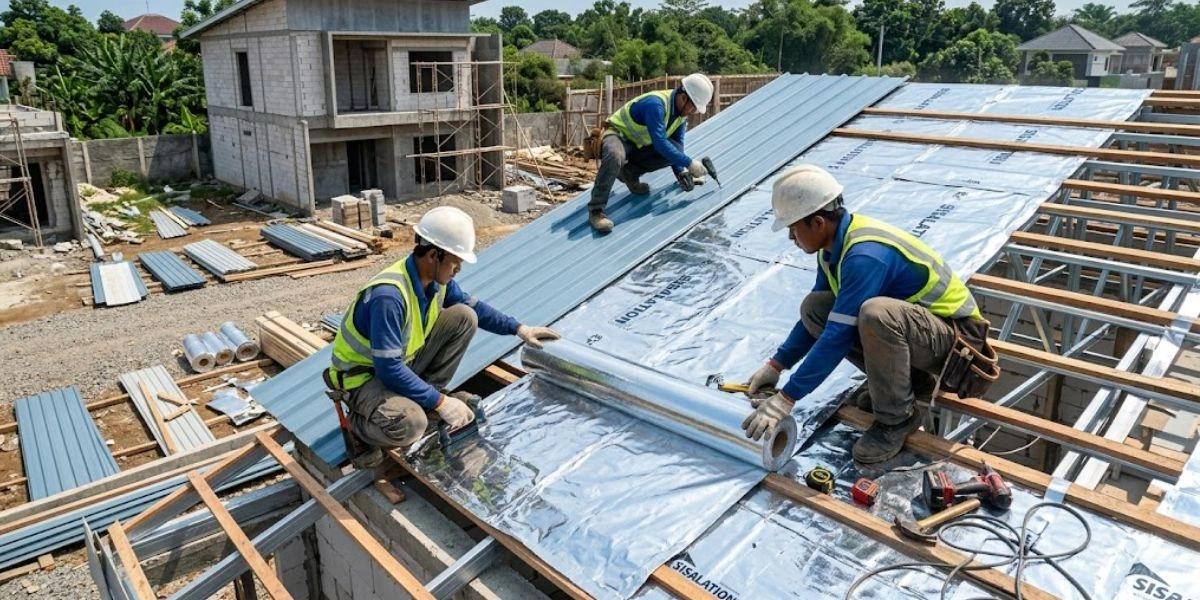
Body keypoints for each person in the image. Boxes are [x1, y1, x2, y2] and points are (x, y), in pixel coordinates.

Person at [740, 165, 989, 464]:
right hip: (925, 335)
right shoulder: (832, 249)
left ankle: (897, 418)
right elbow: (821, 319)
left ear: (817, 222)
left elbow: (837, 337)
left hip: (959, 346)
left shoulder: (864, 256)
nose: (791, 237)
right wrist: (776, 365)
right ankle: (910, 382)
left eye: (793, 228)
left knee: (875, 315)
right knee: (815, 307)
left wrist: (786, 398)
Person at [325, 206, 560, 465]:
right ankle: (359, 428)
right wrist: (442, 403)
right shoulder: (388, 296)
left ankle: (427, 399)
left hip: (401, 366)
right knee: (411, 426)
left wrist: (518, 328)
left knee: (464, 316)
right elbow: (388, 369)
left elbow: (475, 309)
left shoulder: (434, 281)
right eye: (455, 260)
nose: (458, 268)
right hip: (364, 379)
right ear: (434, 255)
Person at [588, 72, 715, 233]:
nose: (693, 111)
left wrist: (680, 173)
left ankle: (629, 173)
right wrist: (689, 163)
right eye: (694, 107)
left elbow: (677, 146)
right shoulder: (656, 104)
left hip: (637, 146)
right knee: (615, 155)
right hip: (618, 135)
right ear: (684, 97)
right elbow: (660, 143)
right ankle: (596, 211)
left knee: (674, 150)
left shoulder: (680, 115)